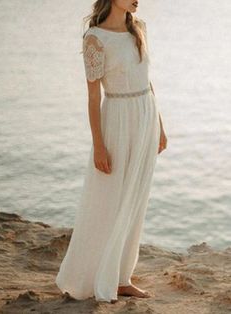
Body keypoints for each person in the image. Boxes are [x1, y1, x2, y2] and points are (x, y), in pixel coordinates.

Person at [55, 0, 167, 303]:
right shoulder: (95, 38)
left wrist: (160, 125)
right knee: (110, 198)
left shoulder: (138, 29)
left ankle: (122, 278)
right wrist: (99, 145)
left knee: (136, 198)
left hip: (145, 114)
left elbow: (148, 80)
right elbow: (93, 97)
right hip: (117, 118)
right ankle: (93, 275)